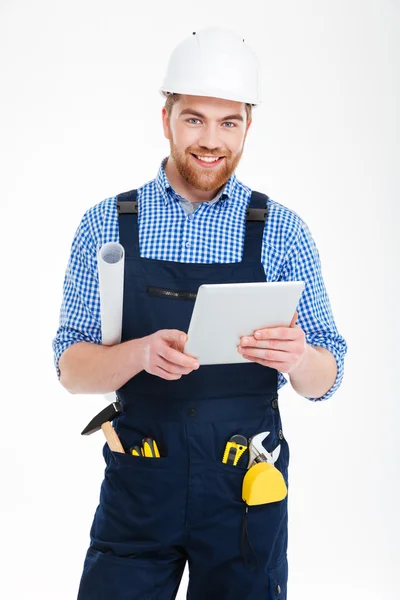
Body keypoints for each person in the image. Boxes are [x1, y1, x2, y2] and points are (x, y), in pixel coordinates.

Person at [53, 27, 347, 600]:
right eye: (194, 119)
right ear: (166, 118)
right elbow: (70, 370)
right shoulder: (105, 225)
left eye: (228, 122)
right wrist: (137, 354)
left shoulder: (282, 231)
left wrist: (300, 356)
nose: (210, 140)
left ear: (247, 126)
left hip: (243, 488)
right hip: (141, 478)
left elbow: (327, 378)